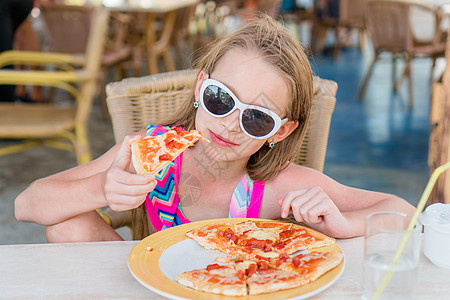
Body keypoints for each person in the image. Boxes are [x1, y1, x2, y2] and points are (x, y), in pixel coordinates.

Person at [15, 14, 415, 242]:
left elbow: (405, 212)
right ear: (200, 85)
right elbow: (27, 205)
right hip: (153, 285)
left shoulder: (281, 186)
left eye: (256, 117)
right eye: (221, 99)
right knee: (67, 228)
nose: (228, 123)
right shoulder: (150, 153)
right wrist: (101, 188)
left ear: (280, 131)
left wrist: (343, 224)